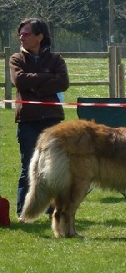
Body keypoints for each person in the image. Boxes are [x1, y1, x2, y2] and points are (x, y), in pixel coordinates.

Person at [9, 18, 70, 219]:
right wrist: (46, 77)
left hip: (52, 121)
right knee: (29, 168)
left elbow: (63, 82)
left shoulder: (55, 59)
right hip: (28, 121)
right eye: (21, 33)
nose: (21, 37)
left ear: (39, 36)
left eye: (26, 33)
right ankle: (23, 213)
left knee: (53, 169)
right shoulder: (16, 59)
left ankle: (53, 212)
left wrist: (34, 82)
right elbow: (19, 80)